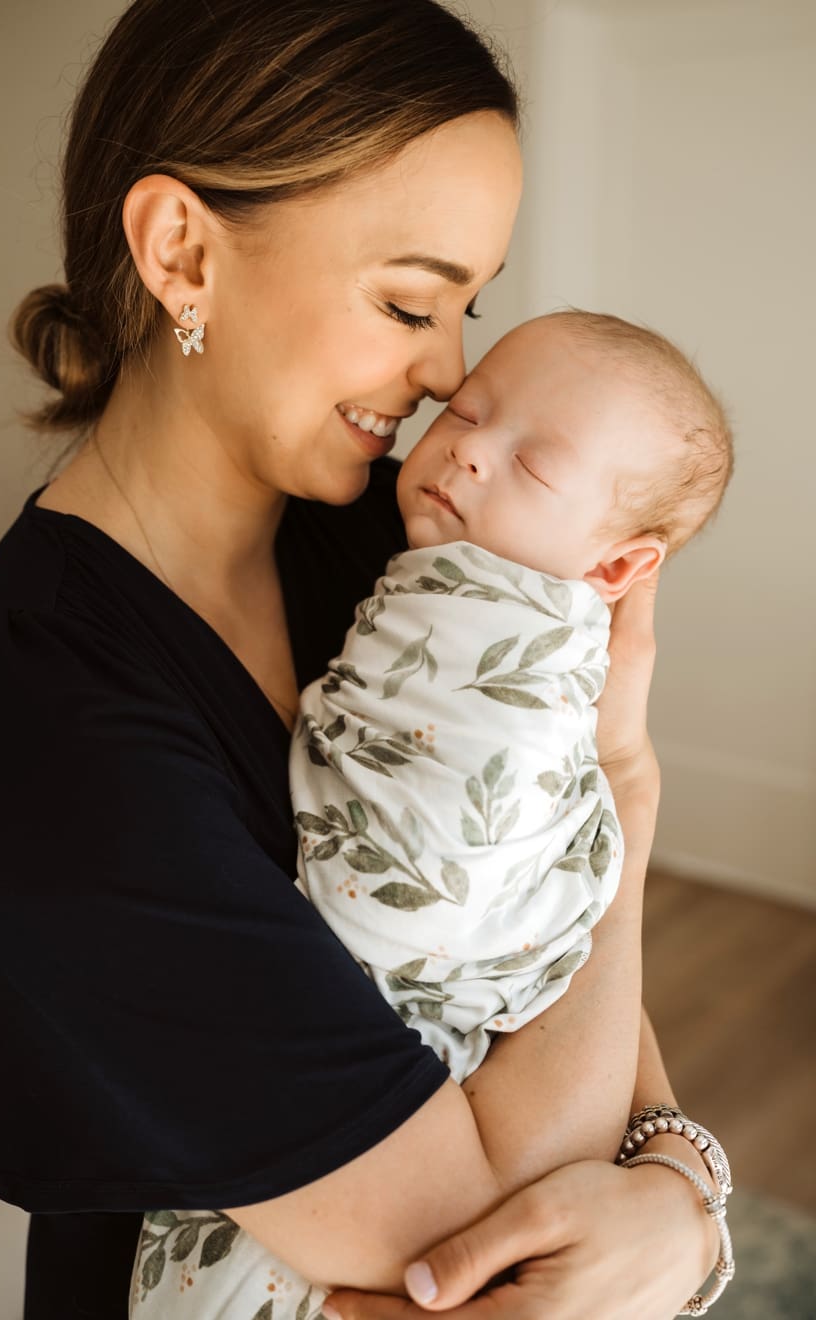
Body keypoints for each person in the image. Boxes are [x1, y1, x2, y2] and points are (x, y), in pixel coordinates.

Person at [0, 2, 726, 1317]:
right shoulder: (43, 726)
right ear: (181, 250)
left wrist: (678, 1192)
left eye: (470, 307)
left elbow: (537, 946)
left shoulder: (399, 533)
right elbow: (487, 1258)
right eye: (410, 301)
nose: (447, 373)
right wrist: (625, 792)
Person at [129, 311, 733, 1317]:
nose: (462, 446)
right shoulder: (62, 673)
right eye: (465, 413)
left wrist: (682, 1180)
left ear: (618, 571)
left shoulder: (464, 603)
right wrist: (627, 785)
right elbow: (490, 1231)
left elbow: (482, 909)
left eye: (532, 466)